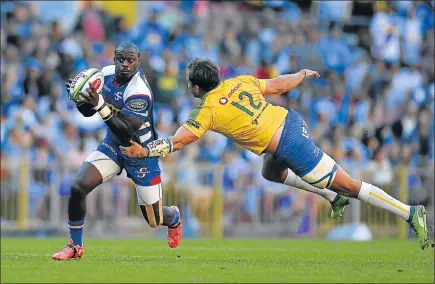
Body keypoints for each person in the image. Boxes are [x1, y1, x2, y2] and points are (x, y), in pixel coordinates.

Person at [120, 57, 430, 250]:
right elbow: (277, 85)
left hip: (289, 143)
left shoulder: (207, 110)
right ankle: (333, 198)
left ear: (197, 88)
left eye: (190, 83)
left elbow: (178, 141)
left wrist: (144, 150)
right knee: (270, 171)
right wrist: (301, 75)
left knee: (348, 184)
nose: (189, 87)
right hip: (289, 120)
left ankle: (410, 212)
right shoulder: (238, 81)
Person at [52, 43, 182, 261]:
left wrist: (100, 103)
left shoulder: (139, 90)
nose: (125, 64)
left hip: (141, 153)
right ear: (114, 58)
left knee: (154, 219)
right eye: (121, 59)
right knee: (78, 187)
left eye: (130, 60)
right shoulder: (105, 75)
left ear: (138, 62)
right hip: (114, 146)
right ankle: (75, 246)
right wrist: (79, 99)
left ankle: (174, 217)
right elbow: (88, 112)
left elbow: (126, 129)